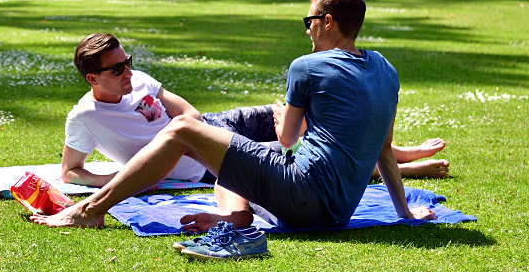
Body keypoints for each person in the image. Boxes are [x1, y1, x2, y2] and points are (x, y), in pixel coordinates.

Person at [33, 0, 436, 236]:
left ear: (328, 22)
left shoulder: (307, 65)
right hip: (337, 212)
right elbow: (383, 149)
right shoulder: (386, 68)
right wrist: (404, 213)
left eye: (309, 20)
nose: (307, 29)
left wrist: (282, 124)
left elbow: (288, 140)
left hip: (303, 199)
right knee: (233, 162)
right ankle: (233, 219)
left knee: (180, 130)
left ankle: (89, 210)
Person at [62, 34, 448, 188]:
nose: (127, 71)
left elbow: (184, 110)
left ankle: (398, 153)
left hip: (211, 127)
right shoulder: (85, 118)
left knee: (301, 120)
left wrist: (196, 130)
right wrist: (121, 177)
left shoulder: (139, 79)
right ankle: (403, 168)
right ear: (93, 80)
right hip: (202, 165)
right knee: (299, 163)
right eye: (116, 69)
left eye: (126, 61)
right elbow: (70, 171)